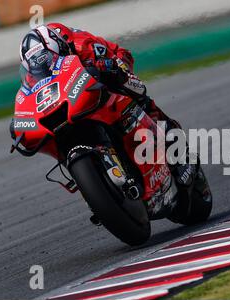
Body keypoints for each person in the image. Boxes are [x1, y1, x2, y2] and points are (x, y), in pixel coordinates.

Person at [17, 24, 195, 187]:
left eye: (47, 59)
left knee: (133, 92)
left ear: (60, 47)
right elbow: (31, 93)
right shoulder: (33, 74)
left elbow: (132, 81)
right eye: (37, 65)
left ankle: (172, 143)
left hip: (112, 59)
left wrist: (106, 66)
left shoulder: (82, 45)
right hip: (71, 98)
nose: (43, 66)